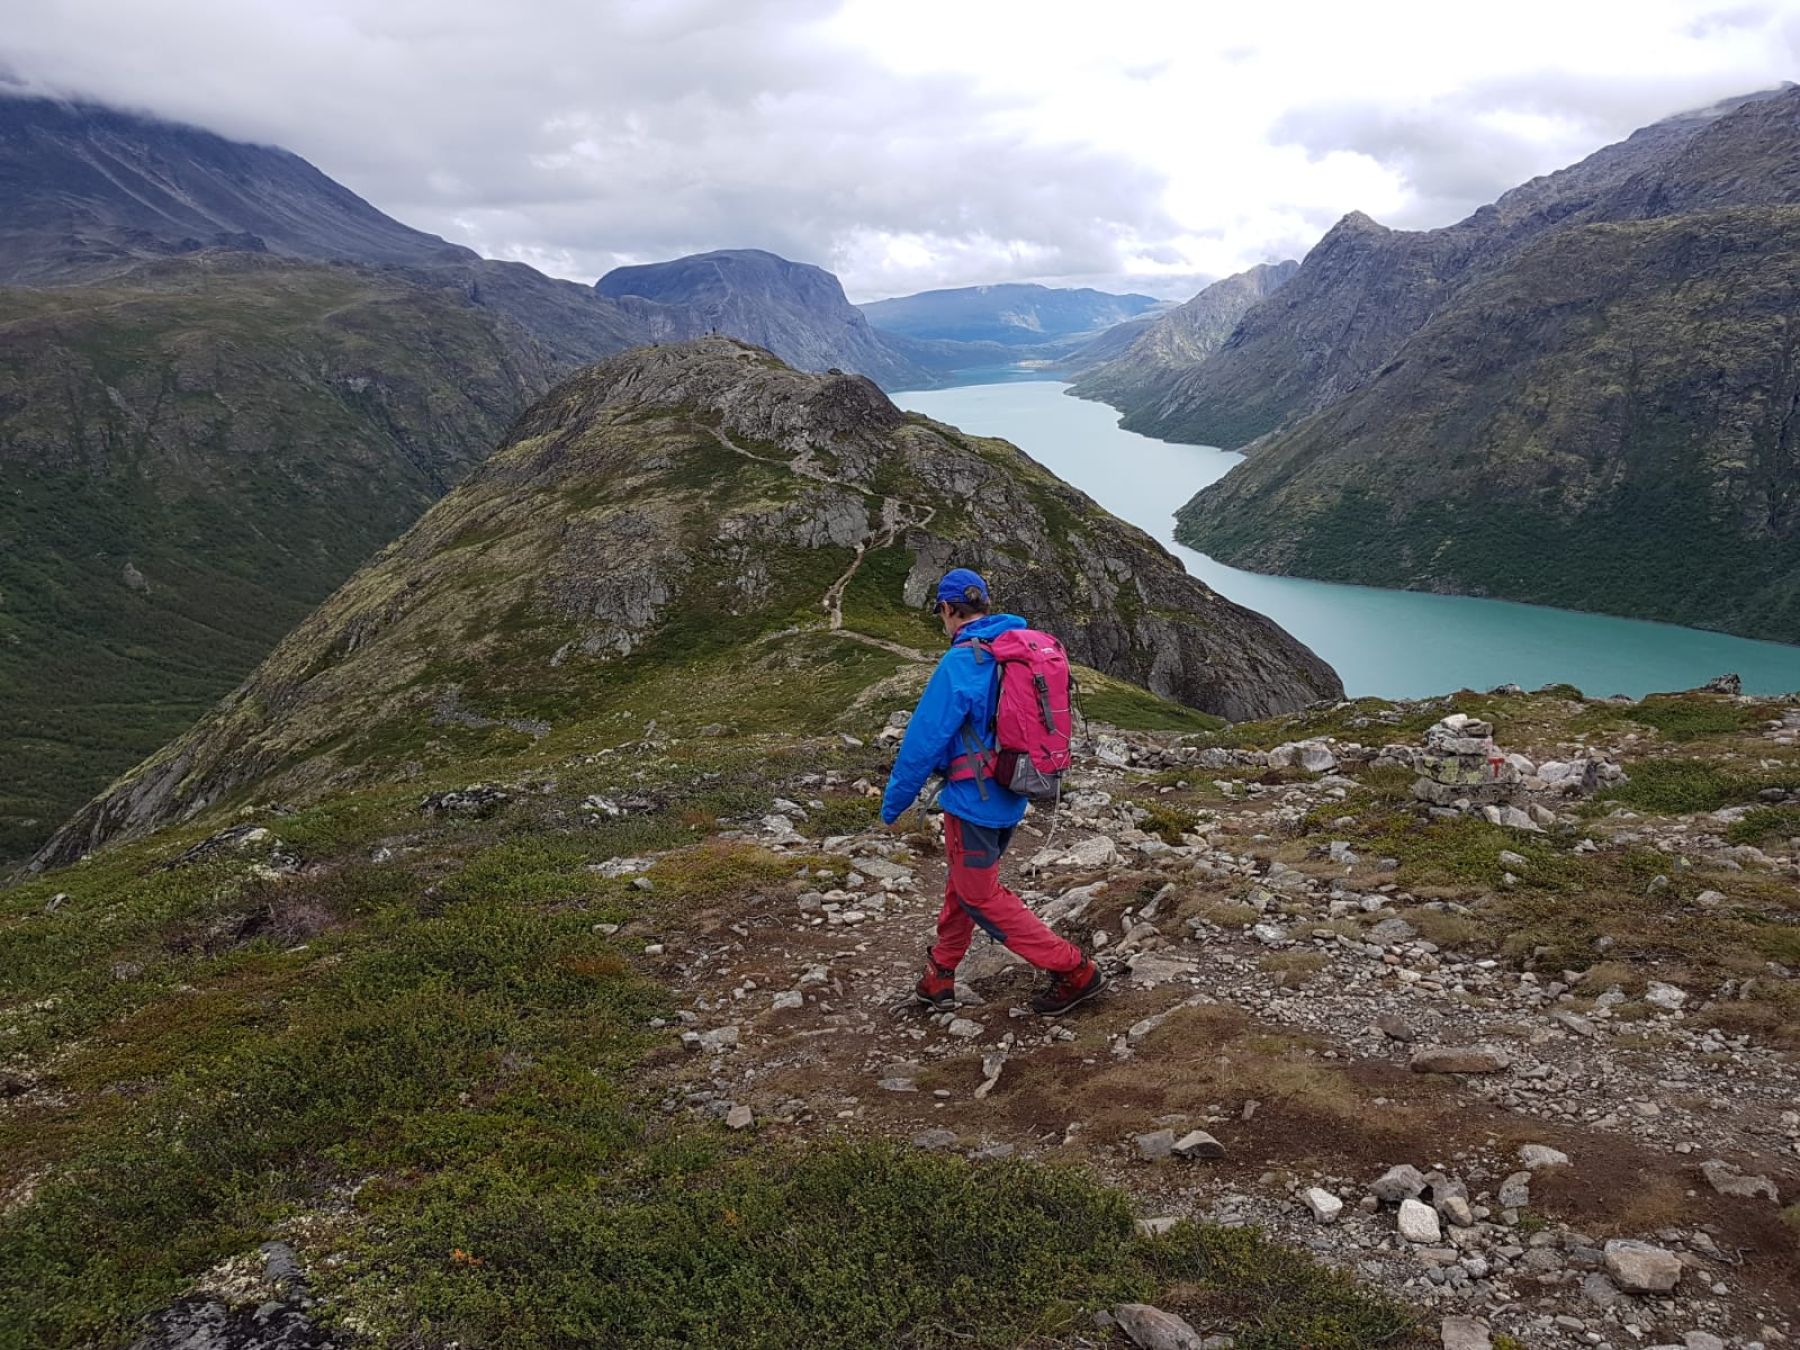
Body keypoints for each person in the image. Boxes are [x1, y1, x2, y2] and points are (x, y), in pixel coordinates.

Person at [880, 568, 1106, 1016]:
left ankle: (1075, 970)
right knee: (964, 885)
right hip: (1014, 788)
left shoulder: (963, 661)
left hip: (972, 800)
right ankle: (939, 975)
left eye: (941, 612)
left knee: (979, 895)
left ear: (948, 609)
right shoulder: (1014, 648)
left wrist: (894, 805)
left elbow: (923, 741)